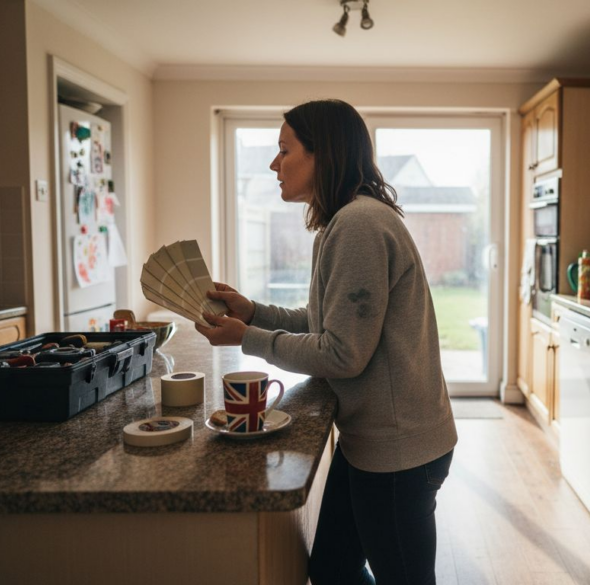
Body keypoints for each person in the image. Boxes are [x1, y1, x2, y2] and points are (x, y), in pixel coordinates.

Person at [194, 99, 457, 585]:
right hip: (379, 443)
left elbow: (342, 354)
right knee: (333, 568)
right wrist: (254, 313)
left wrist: (246, 337)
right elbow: (324, 323)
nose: (274, 164)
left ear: (323, 154)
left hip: (398, 452)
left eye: (284, 150)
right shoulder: (346, 222)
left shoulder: (358, 226)